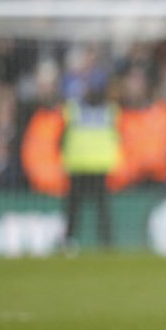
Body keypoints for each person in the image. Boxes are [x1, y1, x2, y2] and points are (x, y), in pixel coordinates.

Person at [61, 82, 121, 250]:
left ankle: (71, 241)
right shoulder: (110, 112)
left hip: (84, 165)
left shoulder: (74, 110)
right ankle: (105, 242)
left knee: (78, 208)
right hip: (93, 165)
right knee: (96, 208)